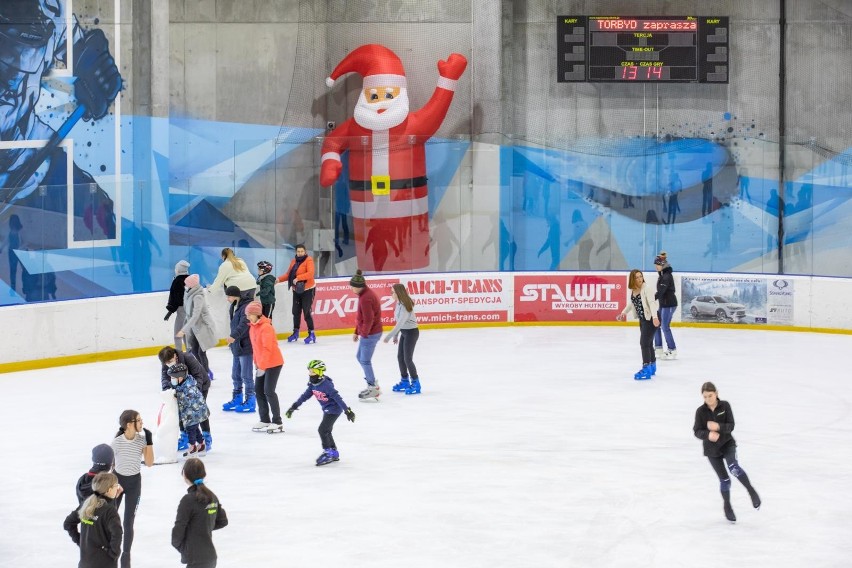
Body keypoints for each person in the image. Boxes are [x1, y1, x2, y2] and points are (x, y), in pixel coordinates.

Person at [693, 382, 761, 522]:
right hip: (712, 450)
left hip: (727, 444)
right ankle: (727, 505)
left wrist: (718, 426)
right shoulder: (700, 411)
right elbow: (697, 431)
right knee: (724, 480)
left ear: (716, 393)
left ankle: (751, 490)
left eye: (710, 396)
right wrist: (707, 435)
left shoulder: (725, 406)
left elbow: (731, 425)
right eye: (705, 397)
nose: (707, 399)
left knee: (733, 467)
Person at [285, 360, 356, 466]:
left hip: (334, 410)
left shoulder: (326, 385)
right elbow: (305, 396)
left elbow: (337, 397)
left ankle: (328, 452)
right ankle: (333, 452)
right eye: (309, 371)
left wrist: (347, 411)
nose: (310, 374)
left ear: (319, 372)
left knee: (322, 430)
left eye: (313, 371)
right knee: (327, 431)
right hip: (327, 410)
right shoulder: (313, 384)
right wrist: (294, 406)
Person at [111, 410, 154, 568]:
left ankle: (126, 556)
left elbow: (149, 463)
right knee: (112, 519)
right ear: (129, 424)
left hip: (134, 483)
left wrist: (149, 442)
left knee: (128, 522)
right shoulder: (117, 441)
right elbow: (110, 463)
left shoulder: (142, 440)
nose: (142, 422)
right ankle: (112, 549)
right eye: (139, 420)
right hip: (118, 483)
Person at [171, 458, 228, 568]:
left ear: (185, 475)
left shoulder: (188, 500)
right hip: (210, 558)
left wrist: (184, 548)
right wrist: (203, 527)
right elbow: (223, 521)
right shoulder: (212, 496)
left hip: (195, 559)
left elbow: (176, 535)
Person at [159, 346, 213, 452]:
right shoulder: (165, 362)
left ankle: (206, 436)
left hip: (200, 386)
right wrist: (167, 391)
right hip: (180, 389)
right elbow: (165, 378)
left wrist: (195, 391)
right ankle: (185, 437)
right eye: (166, 363)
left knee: (199, 410)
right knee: (181, 411)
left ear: (175, 355)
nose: (168, 364)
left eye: (170, 361)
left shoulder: (188, 358)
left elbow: (198, 375)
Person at [64, 471, 123, 568]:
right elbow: (117, 533)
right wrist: (114, 553)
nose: (118, 488)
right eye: (116, 486)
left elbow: (68, 523)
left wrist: (80, 541)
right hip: (104, 563)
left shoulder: (87, 504)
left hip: (85, 563)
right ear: (108, 490)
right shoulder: (110, 511)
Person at [244, 301, 285, 433]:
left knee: (269, 391)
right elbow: (256, 349)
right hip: (261, 364)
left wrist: (262, 365)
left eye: (250, 314)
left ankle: (277, 421)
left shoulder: (266, 327)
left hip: (273, 363)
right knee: (259, 390)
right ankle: (265, 419)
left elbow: (268, 348)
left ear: (256, 314)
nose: (248, 317)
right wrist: (257, 363)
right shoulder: (252, 327)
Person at [616, 269, 659, 380]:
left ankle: (646, 368)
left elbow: (652, 303)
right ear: (632, 279)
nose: (640, 279)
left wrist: (655, 317)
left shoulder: (646, 289)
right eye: (637, 277)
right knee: (648, 343)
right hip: (643, 320)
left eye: (641, 276)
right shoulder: (634, 290)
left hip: (651, 319)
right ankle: (652, 366)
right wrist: (623, 313)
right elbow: (632, 303)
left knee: (644, 343)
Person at [349, 269, 382, 399]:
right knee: (360, 357)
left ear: (358, 287)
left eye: (352, 286)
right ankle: (372, 382)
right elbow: (361, 318)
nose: (351, 288)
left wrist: (364, 334)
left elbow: (369, 319)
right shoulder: (364, 295)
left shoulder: (366, 298)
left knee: (365, 360)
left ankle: (373, 387)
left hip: (371, 334)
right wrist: (356, 331)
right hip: (368, 333)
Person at [178, 274, 218, 381]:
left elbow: (196, 315)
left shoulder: (198, 296)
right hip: (196, 328)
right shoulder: (189, 294)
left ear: (191, 285)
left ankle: (206, 374)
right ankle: (206, 371)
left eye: (187, 284)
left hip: (203, 327)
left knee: (201, 352)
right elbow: (188, 313)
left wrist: (184, 329)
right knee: (194, 350)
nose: (185, 286)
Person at [384, 283, 421, 395]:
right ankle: (405, 381)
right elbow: (399, 321)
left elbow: (400, 323)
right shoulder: (399, 303)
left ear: (398, 293)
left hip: (411, 333)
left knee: (407, 359)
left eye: (392, 292)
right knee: (400, 357)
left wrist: (389, 336)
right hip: (404, 332)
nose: (391, 294)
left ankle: (416, 383)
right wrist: (396, 335)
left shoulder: (405, 305)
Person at [223, 286, 255, 413]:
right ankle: (237, 397)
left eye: (228, 296)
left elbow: (244, 325)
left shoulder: (246, 307)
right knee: (235, 374)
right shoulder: (235, 306)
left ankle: (250, 400)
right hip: (236, 346)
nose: (227, 299)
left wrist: (233, 336)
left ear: (235, 295)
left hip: (245, 345)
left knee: (246, 375)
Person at [276, 244, 317, 344]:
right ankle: (296, 332)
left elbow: (310, 273)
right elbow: (288, 275)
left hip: (308, 290)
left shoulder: (309, 260)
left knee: (306, 312)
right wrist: (278, 279)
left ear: (305, 251)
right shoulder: (293, 261)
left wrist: (299, 278)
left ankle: (311, 333)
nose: (300, 253)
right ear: (296, 252)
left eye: (302, 251)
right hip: (296, 290)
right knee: (295, 311)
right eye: (298, 251)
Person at [168, 364, 211, 457]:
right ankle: (201, 445)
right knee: (195, 429)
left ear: (180, 377)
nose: (172, 379)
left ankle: (193, 448)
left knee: (190, 430)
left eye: (173, 377)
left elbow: (185, 400)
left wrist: (176, 395)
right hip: (195, 413)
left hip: (193, 413)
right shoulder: (186, 383)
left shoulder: (188, 388)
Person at [653, 252, 678, 360]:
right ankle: (658, 348)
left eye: (657, 265)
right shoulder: (662, 275)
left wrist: (650, 299)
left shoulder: (667, 276)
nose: (656, 267)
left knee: (664, 326)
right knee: (656, 324)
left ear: (663, 265)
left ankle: (672, 349)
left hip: (669, 304)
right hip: (663, 304)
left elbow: (661, 291)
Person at [165, 260, 191, 352]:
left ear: (179, 270)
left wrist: (170, 311)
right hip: (190, 309)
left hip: (181, 310)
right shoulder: (190, 279)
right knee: (185, 332)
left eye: (176, 268)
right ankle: (189, 351)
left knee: (178, 333)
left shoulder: (177, 281)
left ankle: (179, 353)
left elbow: (174, 298)